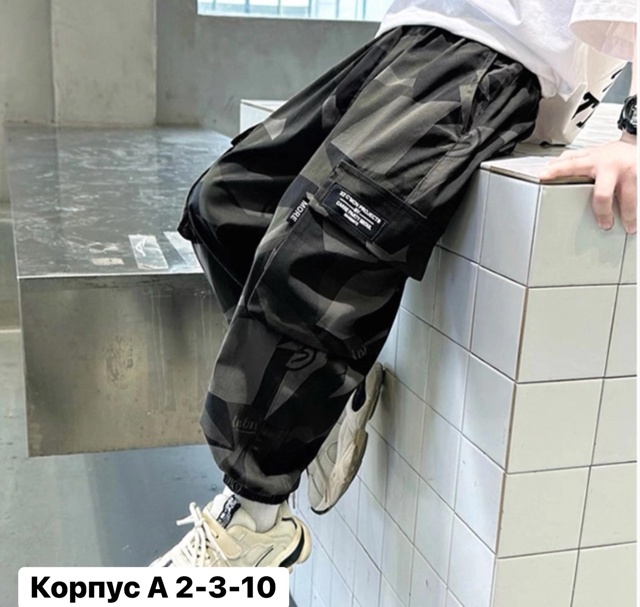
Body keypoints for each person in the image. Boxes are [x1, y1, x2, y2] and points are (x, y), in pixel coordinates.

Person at [150, 0, 637, 568]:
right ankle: (326, 400)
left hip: (493, 57)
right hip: (408, 38)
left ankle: (256, 523)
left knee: (315, 259)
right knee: (225, 205)